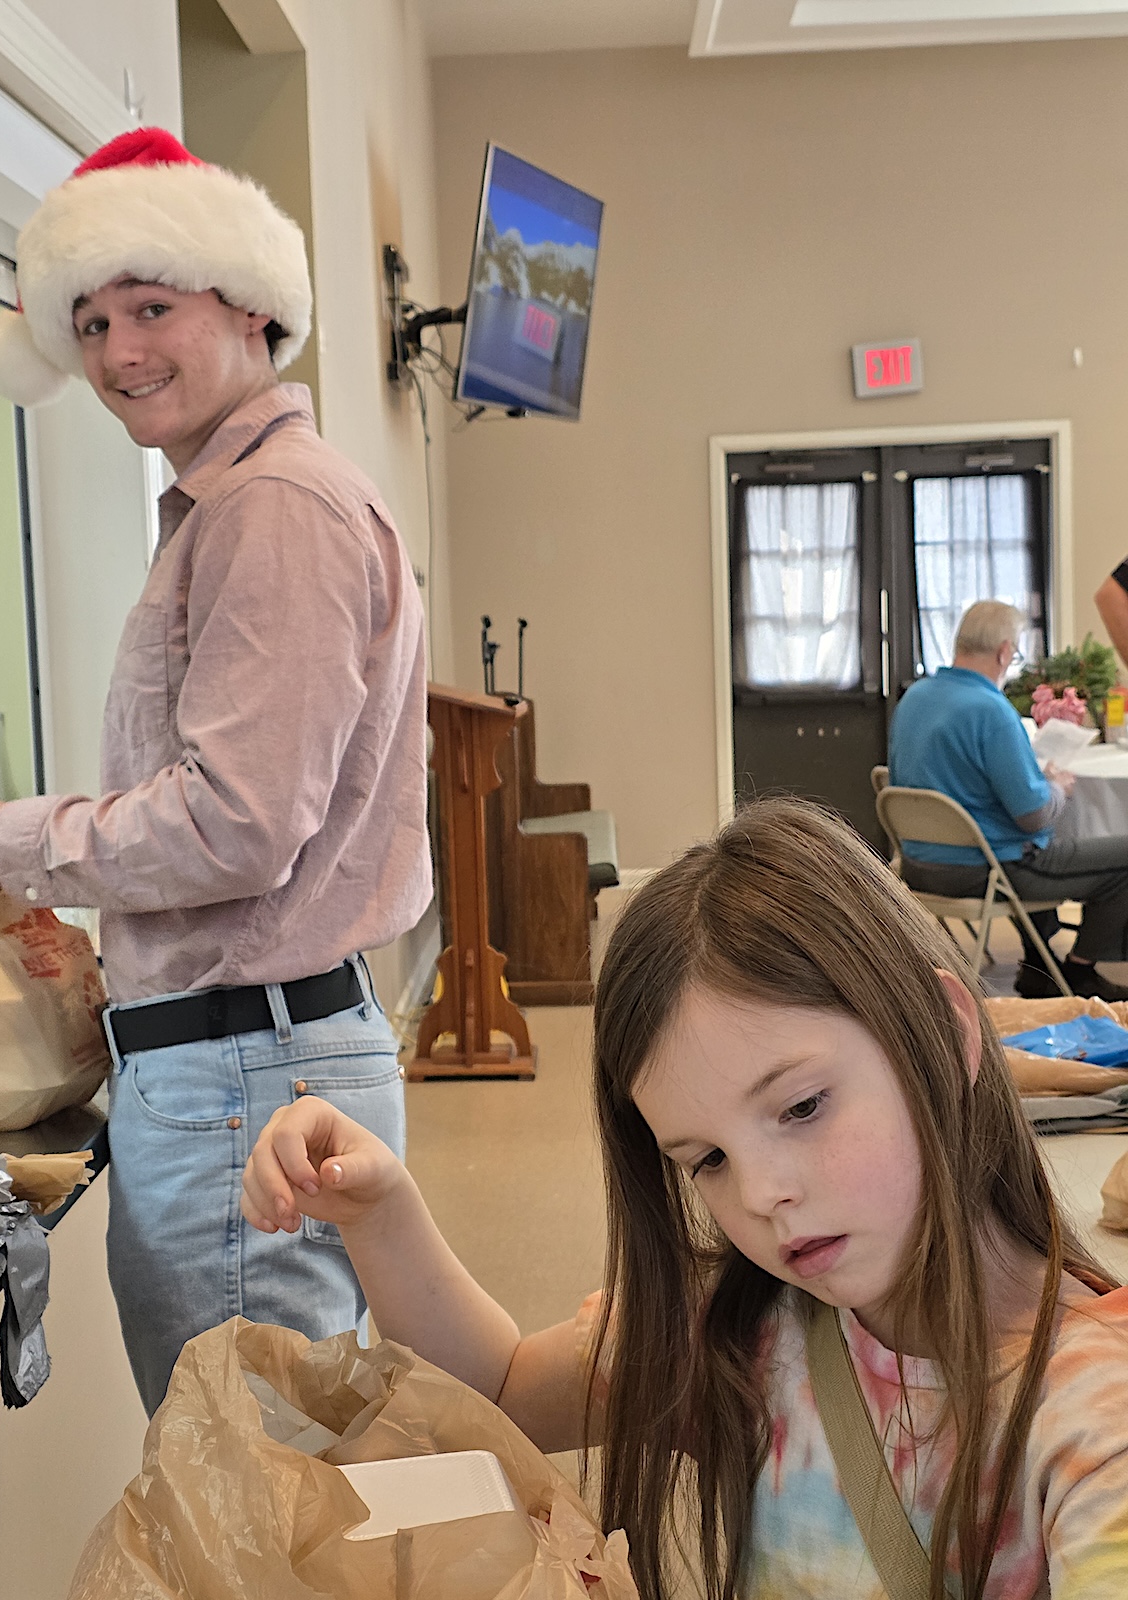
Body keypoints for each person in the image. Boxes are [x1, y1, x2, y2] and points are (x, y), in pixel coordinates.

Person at [242, 798, 1128, 1600]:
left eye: (802, 1107)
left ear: (944, 1031)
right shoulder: (742, 1332)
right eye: (706, 1160)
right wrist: (379, 1212)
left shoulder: (1098, 1412)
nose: (764, 1194)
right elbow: (496, 1390)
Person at [0, 128, 431, 1414]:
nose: (118, 353)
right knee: (268, 1463)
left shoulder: (271, 508)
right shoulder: (237, 505)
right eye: (92, 323)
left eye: (151, 308)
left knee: (251, 1471)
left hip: (244, 1072)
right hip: (243, 1056)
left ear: (252, 306)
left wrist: (2, 836)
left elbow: (239, 825)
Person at [888, 599, 1128, 1000]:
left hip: (918, 865)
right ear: (1004, 652)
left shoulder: (915, 698)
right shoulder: (991, 711)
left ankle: (1039, 965)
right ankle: (1078, 972)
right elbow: (1033, 816)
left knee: (1039, 841)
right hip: (987, 869)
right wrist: (1058, 787)